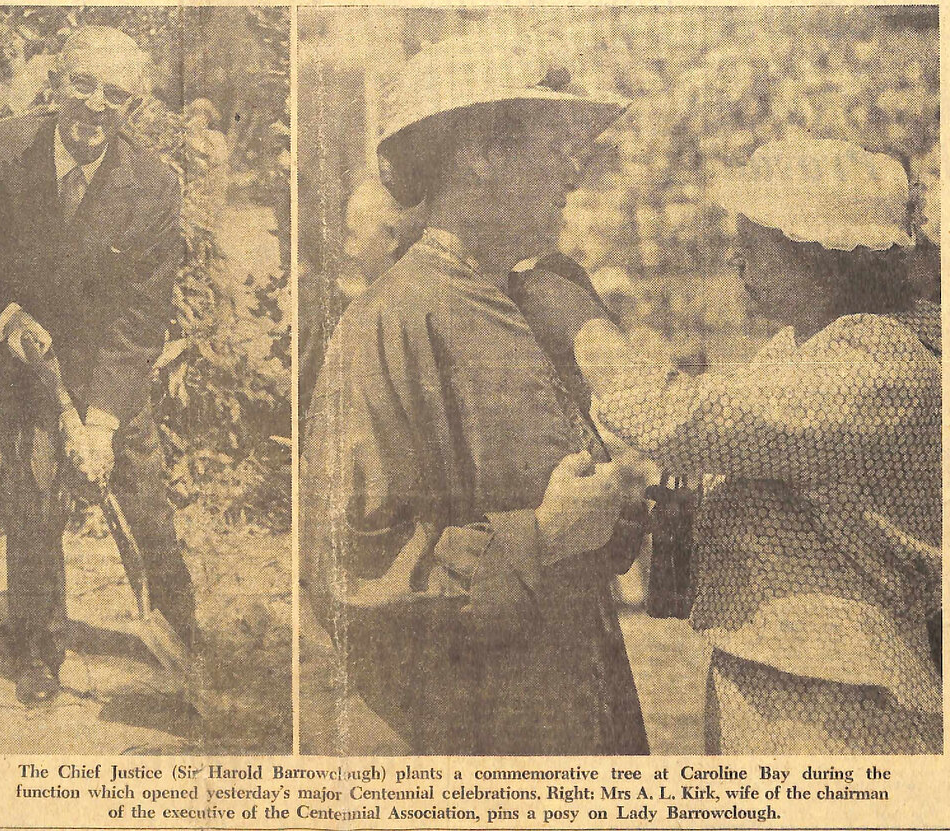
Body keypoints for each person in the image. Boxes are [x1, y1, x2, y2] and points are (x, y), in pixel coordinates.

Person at [300, 30, 650, 755]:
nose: (574, 173)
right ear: (481, 155)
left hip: (579, 709)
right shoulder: (388, 324)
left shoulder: (535, 299)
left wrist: (614, 502)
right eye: (555, 146)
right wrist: (545, 534)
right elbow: (352, 572)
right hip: (479, 738)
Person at [579, 136, 941, 754]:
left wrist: (581, 325)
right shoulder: (804, 349)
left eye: (754, 247)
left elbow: (678, 416)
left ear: (821, 257)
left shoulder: (885, 365)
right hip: (773, 670)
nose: (740, 265)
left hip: (840, 694)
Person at [0, 26, 197, 707]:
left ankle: (179, 626)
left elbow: (142, 317)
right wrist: (1, 315)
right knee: (35, 492)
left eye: (116, 94)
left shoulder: (154, 186)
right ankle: (37, 647)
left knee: (144, 496)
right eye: (84, 85)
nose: (97, 106)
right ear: (57, 84)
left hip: (109, 366)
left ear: (133, 106)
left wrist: (99, 422)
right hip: (24, 351)